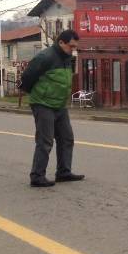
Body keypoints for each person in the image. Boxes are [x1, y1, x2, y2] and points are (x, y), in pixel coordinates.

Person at [20, 30, 84, 187]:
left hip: (60, 105)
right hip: (43, 104)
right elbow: (27, 77)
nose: (73, 49)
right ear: (61, 42)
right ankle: (37, 176)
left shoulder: (67, 57)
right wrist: (38, 93)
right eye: (71, 46)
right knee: (45, 140)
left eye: (75, 47)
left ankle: (63, 172)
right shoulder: (45, 56)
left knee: (66, 138)